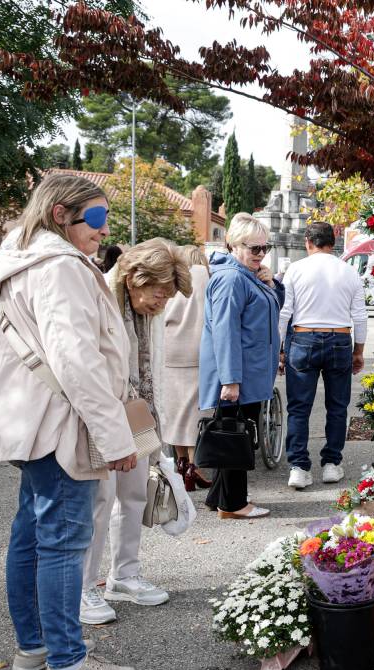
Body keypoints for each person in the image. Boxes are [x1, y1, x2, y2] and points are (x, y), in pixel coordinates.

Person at [0, 173, 137, 670]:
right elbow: (76, 360)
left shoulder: (21, 261)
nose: (103, 228)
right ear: (59, 215)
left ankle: (36, 648)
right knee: (64, 542)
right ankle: (67, 664)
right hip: (59, 423)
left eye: (105, 216)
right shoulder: (60, 269)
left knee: (32, 535)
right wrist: (116, 439)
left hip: (30, 420)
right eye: (94, 217)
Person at [80, 238, 192, 625]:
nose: (162, 303)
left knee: (134, 496)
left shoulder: (149, 311)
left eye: (168, 296)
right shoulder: (100, 297)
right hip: (107, 413)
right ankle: (84, 587)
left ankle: (124, 575)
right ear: (133, 279)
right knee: (100, 498)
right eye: (158, 294)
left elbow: (152, 368)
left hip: (140, 412)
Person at [199, 212, 280, 519]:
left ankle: (222, 498)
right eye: (254, 248)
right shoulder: (232, 278)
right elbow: (225, 331)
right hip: (238, 374)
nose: (260, 254)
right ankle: (233, 504)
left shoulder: (245, 275)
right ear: (232, 244)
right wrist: (230, 379)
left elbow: (267, 314)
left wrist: (271, 284)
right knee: (234, 435)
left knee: (233, 433)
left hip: (247, 371)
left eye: (264, 248)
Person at [278, 221, 367, 489]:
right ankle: (331, 463)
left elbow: (285, 312)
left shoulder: (295, 269)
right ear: (334, 242)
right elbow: (360, 316)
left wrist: (281, 348)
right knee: (337, 406)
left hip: (304, 336)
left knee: (298, 407)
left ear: (308, 242)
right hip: (339, 337)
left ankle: (299, 466)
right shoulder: (349, 271)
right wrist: (359, 350)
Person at [161, 244, 213, 491]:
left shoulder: (173, 276)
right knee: (195, 413)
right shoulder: (206, 277)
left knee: (174, 412)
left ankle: (180, 464)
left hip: (171, 350)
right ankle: (194, 467)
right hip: (199, 351)